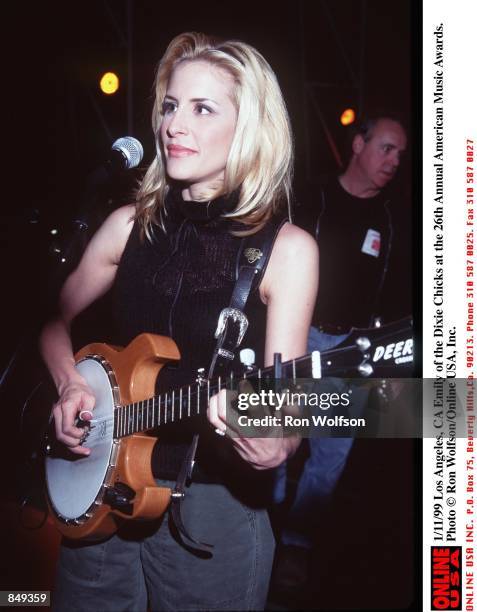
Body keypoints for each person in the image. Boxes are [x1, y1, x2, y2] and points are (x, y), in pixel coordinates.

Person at [39, 32, 318, 611]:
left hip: (213, 508)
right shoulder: (126, 225)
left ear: (248, 127)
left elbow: (289, 401)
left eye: (202, 108)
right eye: (170, 105)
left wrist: (281, 440)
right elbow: (50, 319)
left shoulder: (287, 251)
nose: (173, 124)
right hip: (100, 481)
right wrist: (69, 383)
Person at [273, 115, 408, 589]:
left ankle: (296, 547)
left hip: (353, 352)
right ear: (358, 144)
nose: (394, 161)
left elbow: (394, 298)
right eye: (386, 149)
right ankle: (261, 529)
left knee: (328, 461)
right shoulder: (314, 198)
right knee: (276, 438)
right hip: (296, 339)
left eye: (400, 154)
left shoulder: (392, 220)